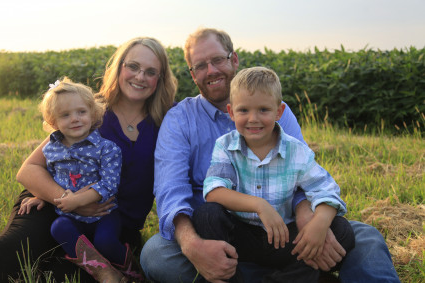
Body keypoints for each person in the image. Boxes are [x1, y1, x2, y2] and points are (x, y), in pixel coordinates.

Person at [140, 27, 400, 283]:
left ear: (234, 59)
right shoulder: (180, 119)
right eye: (200, 65)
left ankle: (273, 273)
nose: (211, 71)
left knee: (363, 236)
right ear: (192, 75)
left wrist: (310, 221)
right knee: (156, 256)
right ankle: (300, 276)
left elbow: (303, 177)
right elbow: (171, 190)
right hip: (219, 234)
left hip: (284, 229)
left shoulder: (279, 112)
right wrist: (192, 245)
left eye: (217, 59)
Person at [0, 36, 177, 282]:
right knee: (4, 260)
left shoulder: (170, 119)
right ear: (119, 68)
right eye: (133, 66)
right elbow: (29, 169)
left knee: (67, 277)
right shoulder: (90, 110)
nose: (140, 76)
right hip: (55, 206)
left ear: (160, 79)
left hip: (114, 224)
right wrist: (71, 200)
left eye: (151, 72)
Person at [192, 66, 355, 282]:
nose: (253, 119)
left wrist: (320, 223)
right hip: (241, 238)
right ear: (231, 112)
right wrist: (260, 206)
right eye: (243, 111)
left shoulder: (297, 151)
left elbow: (326, 189)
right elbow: (214, 191)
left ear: (279, 111)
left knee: (342, 231)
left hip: (285, 239)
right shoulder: (225, 146)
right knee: (207, 215)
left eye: (263, 110)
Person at [22, 77, 141, 282]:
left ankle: (133, 272)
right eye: (65, 115)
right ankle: (103, 271)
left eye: (81, 112)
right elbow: (50, 175)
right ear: (53, 121)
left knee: (105, 241)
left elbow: (110, 184)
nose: (75, 119)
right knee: (58, 228)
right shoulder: (51, 149)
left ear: (92, 114)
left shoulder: (107, 149)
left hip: (104, 213)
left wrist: (77, 201)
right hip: (70, 217)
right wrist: (40, 195)